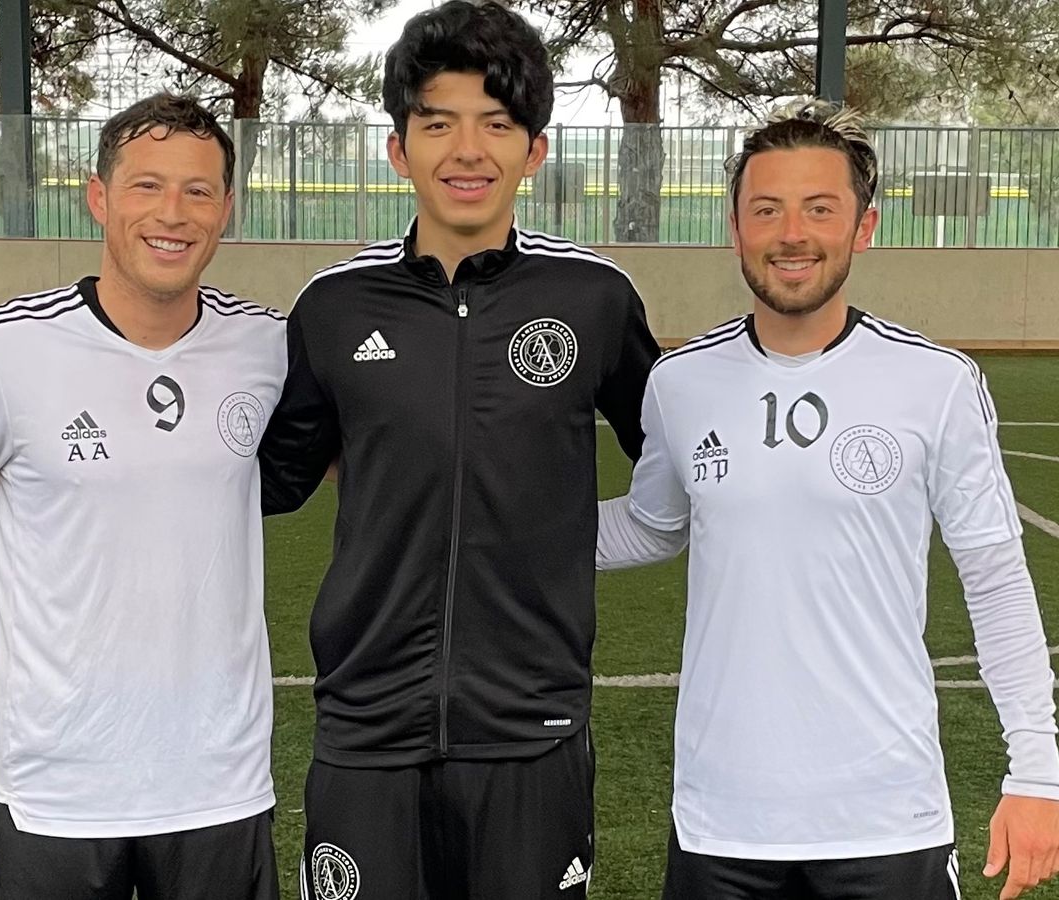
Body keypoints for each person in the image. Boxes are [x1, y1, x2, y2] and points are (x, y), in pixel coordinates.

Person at [595, 99, 1059, 900]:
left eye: (819, 208)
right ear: (735, 228)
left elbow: (996, 580)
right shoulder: (680, 382)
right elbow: (650, 526)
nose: (792, 234)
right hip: (720, 820)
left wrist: (1039, 774)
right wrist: (494, 526)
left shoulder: (936, 383)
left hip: (887, 819)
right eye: (766, 209)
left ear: (863, 227)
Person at [258, 2, 659, 897]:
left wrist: (561, 536)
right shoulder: (334, 307)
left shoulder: (594, 299)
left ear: (535, 151)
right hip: (366, 725)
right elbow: (270, 481)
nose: (467, 151)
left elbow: (676, 473)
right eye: (438, 124)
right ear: (398, 149)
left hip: (531, 729)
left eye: (497, 124)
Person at [0, 93, 286, 900]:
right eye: (146, 185)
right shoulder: (7, 347)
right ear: (98, 197)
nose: (173, 213)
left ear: (226, 209)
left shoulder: (268, 347)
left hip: (220, 786)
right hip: (57, 792)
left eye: (198, 191)